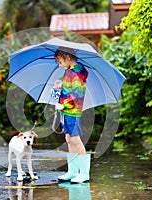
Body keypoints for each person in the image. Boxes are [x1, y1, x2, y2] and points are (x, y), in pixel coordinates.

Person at [53, 46, 90, 184]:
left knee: (75, 140)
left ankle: (84, 173)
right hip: (66, 111)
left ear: (67, 57)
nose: (60, 65)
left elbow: (77, 93)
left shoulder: (77, 72)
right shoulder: (69, 71)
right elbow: (68, 87)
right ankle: (73, 171)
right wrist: (59, 82)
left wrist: (64, 104)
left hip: (72, 111)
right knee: (69, 139)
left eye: (60, 62)